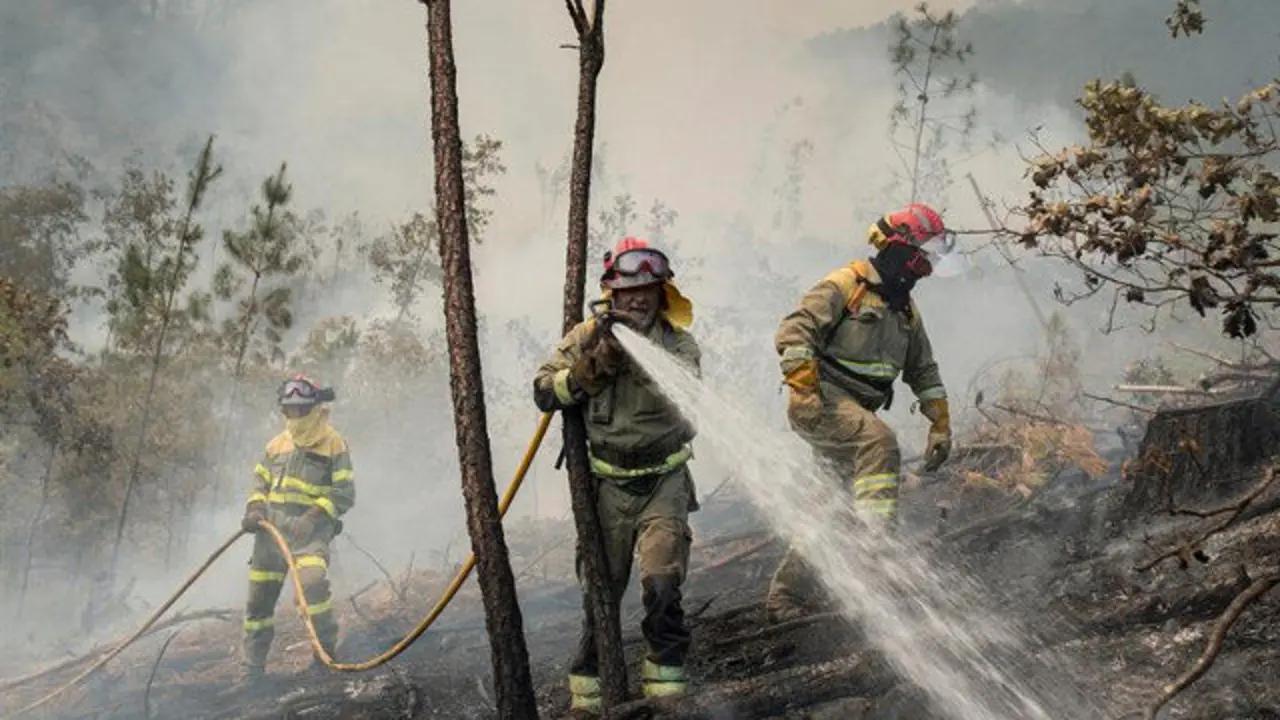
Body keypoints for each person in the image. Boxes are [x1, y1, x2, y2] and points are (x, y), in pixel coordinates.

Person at [533, 237, 701, 714]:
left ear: (661, 292)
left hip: (664, 483)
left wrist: (639, 359)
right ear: (611, 293)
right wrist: (592, 368)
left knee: (663, 587)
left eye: (648, 288)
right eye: (628, 290)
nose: (639, 298)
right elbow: (544, 391)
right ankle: (588, 701)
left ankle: (667, 697)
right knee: (600, 596)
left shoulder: (678, 343)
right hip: (607, 488)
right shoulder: (586, 336)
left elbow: (687, 391)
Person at [765, 203, 954, 624]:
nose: (926, 270)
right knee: (879, 442)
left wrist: (940, 423)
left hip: (854, 408)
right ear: (903, 252)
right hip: (822, 400)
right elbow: (793, 332)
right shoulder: (845, 285)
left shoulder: (905, 309)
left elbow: (923, 369)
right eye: (925, 258)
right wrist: (802, 389)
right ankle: (875, 557)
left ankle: (786, 596)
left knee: (831, 505)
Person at [239, 374, 355, 682]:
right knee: (258, 604)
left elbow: (344, 493)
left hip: (310, 536)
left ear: (316, 407)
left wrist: (313, 516)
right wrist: (254, 508)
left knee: (313, 586)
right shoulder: (276, 445)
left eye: (302, 409)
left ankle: (325, 657)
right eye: (290, 409)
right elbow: (260, 482)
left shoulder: (333, 443)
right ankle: (253, 670)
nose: (296, 416)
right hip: (271, 535)